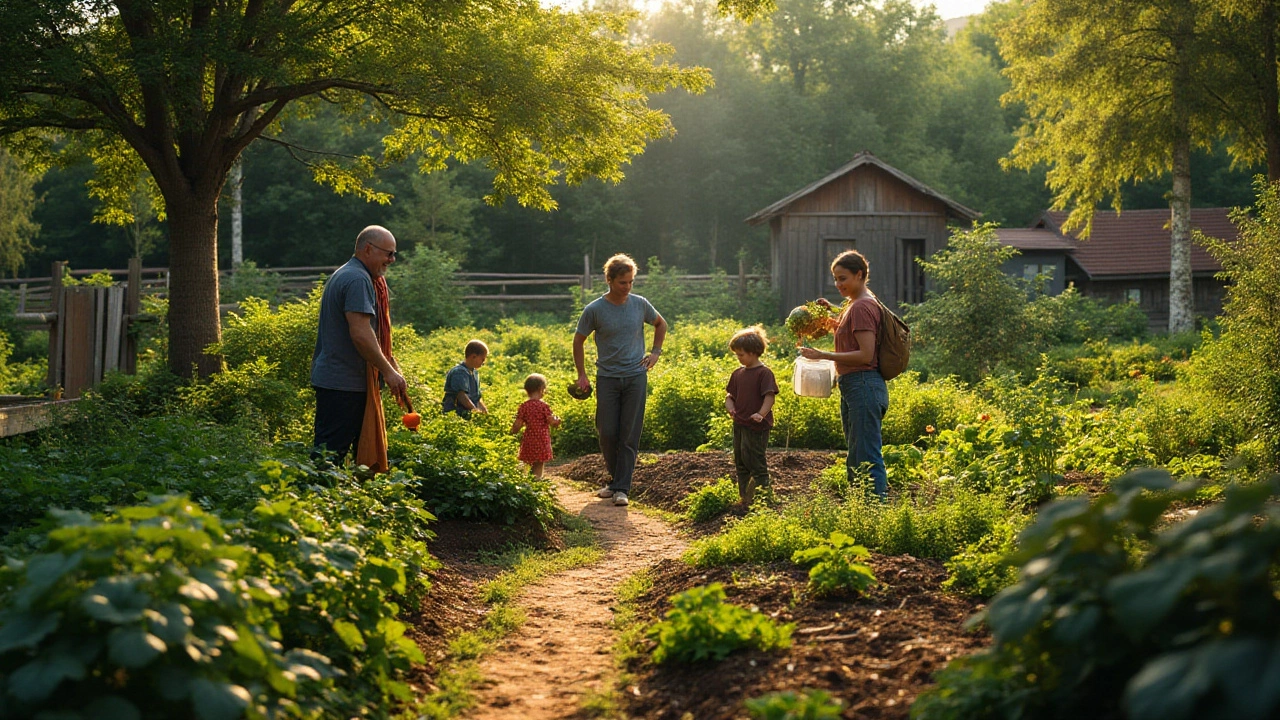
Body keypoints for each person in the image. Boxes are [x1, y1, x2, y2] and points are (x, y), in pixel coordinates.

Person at [574, 254, 668, 507]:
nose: (627, 287)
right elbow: (578, 341)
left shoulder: (640, 304)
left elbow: (661, 324)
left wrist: (655, 353)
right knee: (607, 432)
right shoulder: (594, 310)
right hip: (607, 378)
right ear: (609, 280)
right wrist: (581, 374)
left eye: (631, 282)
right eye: (622, 283)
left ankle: (622, 488)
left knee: (629, 434)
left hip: (636, 376)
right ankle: (616, 481)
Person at [310, 225, 408, 466]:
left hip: (341, 381)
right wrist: (387, 371)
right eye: (388, 253)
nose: (392, 260)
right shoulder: (357, 279)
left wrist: (392, 366)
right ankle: (311, 501)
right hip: (343, 384)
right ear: (368, 249)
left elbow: (371, 333)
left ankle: (334, 501)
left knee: (332, 454)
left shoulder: (351, 274)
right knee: (328, 458)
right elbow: (362, 334)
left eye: (394, 254)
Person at [799, 249, 889, 499]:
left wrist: (823, 355)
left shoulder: (861, 307)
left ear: (859, 275)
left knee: (867, 455)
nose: (838, 284)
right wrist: (830, 314)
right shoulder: (856, 304)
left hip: (863, 384)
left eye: (843, 278)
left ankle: (874, 512)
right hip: (855, 386)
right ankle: (861, 508)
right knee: (856, 453)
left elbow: (865, 355)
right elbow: (849, 332)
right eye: (835, 279)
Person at [725, 326, 779, 505]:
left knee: (755, 461)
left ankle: (764, 499)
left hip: (756, 426)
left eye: (741, 354)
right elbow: (729, 397)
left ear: (754, 352)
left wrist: (761, 414)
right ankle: (745, 499)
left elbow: (769, 397)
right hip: (740, 423)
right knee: (740, 460)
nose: (738, 358)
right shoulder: (738, 374)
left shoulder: (764, 373)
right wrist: (731, 408)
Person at [511, 373, 561, 479]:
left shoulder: (524, 406)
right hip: (541, 439)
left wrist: (510, 433)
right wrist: (557, 421)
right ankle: (537, 482)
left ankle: (528, 484)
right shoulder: (544, 406)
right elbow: (551, 421)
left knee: (528, 462)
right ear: (541, 389)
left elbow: (518, 424)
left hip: (529, 439)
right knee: (539, 463)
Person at [442, 339, 489, 418]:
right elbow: (462, 397)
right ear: (473, 356)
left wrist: (485, 414)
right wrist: (475, 412)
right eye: (482, 359)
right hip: (455, 414)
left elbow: (477, 398)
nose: (483, 362)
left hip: (468, 413)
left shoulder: (475, 373)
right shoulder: (459, 372)